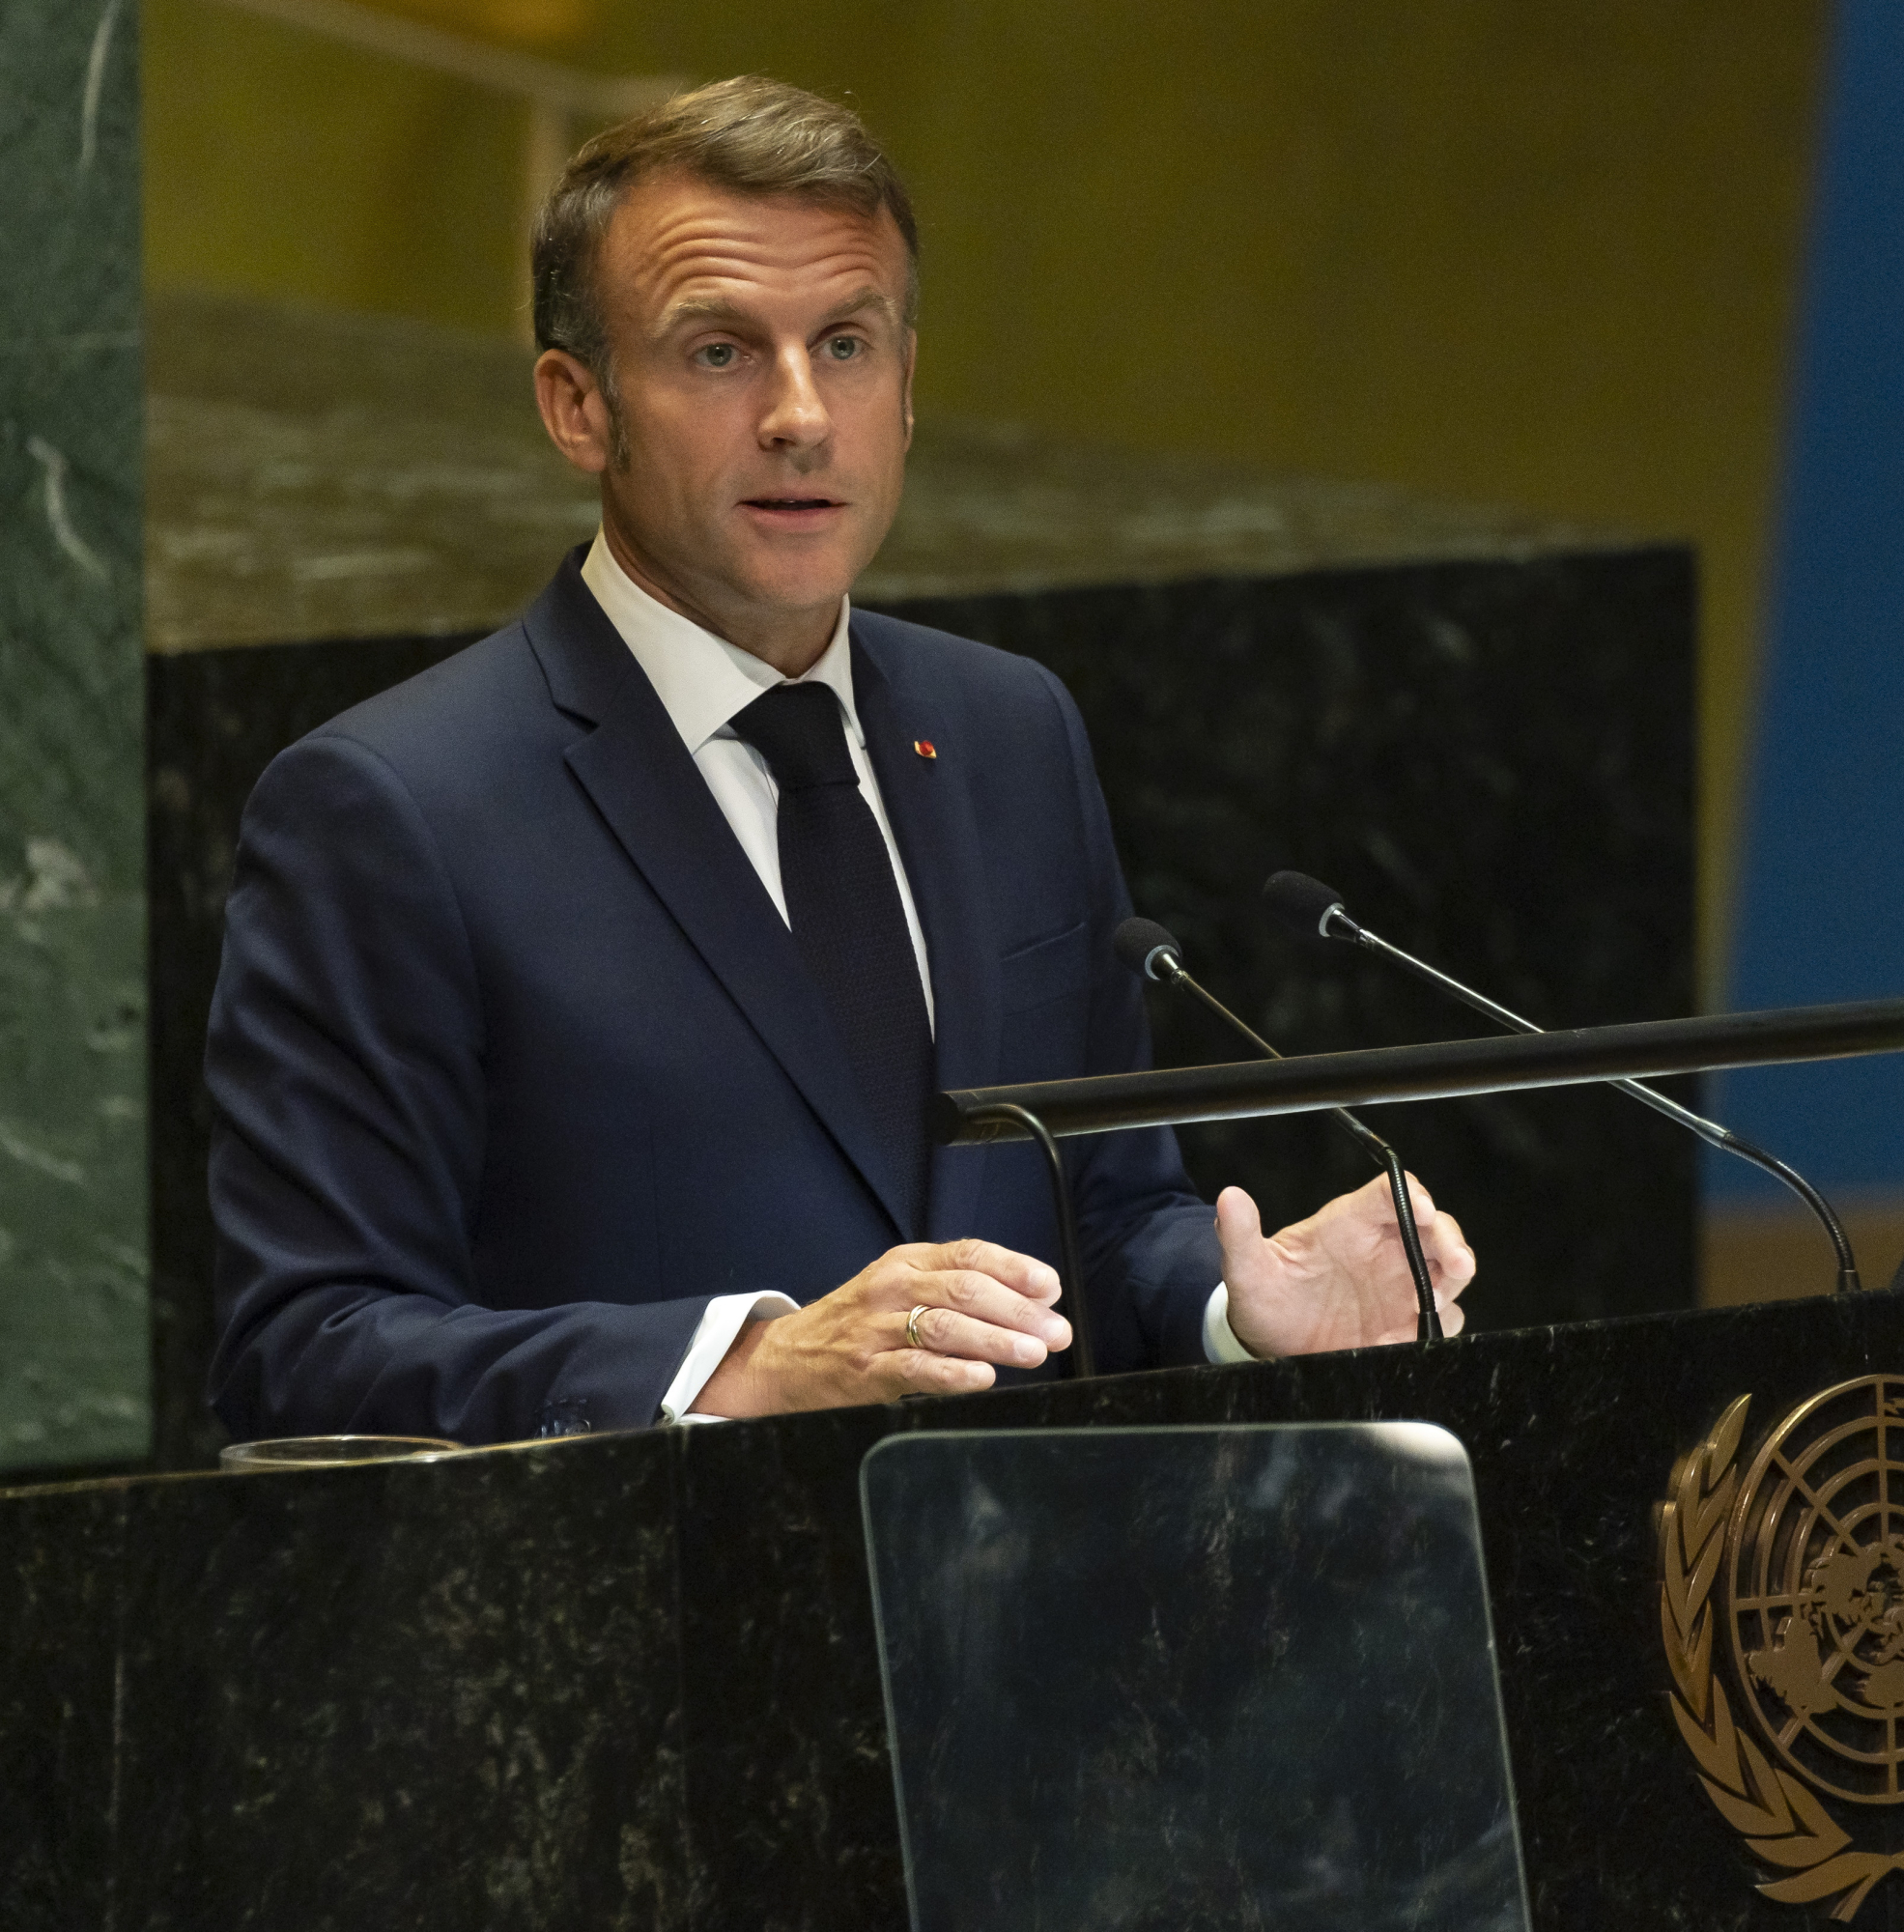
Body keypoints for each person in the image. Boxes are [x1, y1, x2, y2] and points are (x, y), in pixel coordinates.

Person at [206, 76, 1473, 1446]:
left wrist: (1238, 1315)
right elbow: (310, 1350)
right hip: (652, 1620)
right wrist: (736, 1365)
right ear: (577, 408)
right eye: (718, 352)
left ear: (908, 388)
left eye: (847, 344)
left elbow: (1095, 1215)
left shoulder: (1011, 732)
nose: (800, 415)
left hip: (1010, 1612)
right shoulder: (394, 806)